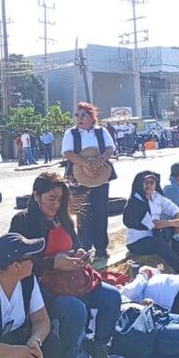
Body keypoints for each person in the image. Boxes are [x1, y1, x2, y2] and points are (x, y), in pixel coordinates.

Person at [9, 172, 122, 358]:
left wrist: (81, 255)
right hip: (43, 287)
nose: (56, 204)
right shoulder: (23, 221)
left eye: (60, 199)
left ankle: (99, 348)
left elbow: (77, 245)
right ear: (36, 196)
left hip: (73, 280)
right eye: (51, 198)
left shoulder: (64, 218)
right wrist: (53, 263)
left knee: (113, 297)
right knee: (75, 309)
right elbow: (16, 264)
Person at [61, 102, 116, 260]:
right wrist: (85, 163)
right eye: (76, 115)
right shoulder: (70, 134)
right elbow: (68, 153)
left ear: (92, 117)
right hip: (78, 177)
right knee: (82, 214)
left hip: (100, 175)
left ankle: (101, 249)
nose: (79, 118)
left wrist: (100, 160)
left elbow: (110, 148)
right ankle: (83, 248)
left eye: (83, 115)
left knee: (100, 212)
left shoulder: (101, 132)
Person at [123, 171, 179, 271]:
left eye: (151, 182)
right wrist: (175, 223)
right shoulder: (136, 202)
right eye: (146, 182)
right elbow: (153, 224)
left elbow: (174, 209)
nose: (149, 185)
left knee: (172, 234)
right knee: (159, 244)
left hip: (153, 235)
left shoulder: (156, 196)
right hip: (137, 242)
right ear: (140, 184)